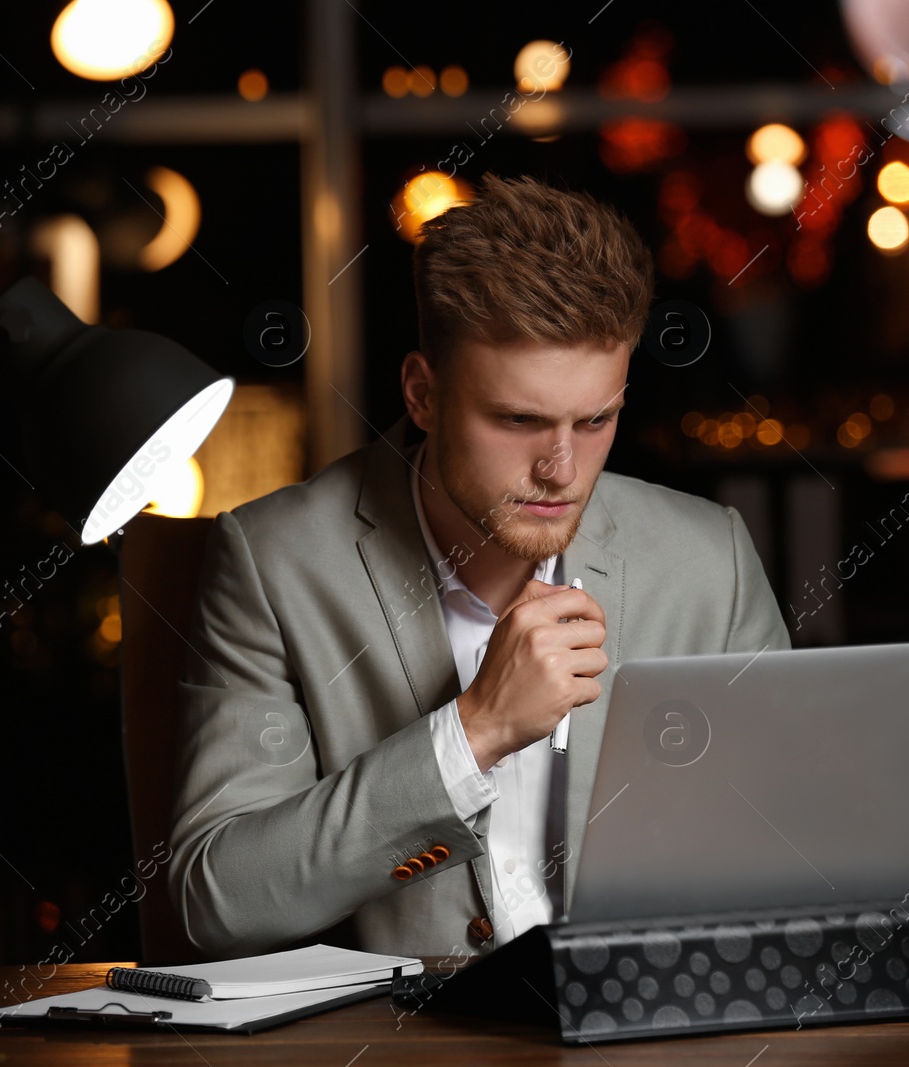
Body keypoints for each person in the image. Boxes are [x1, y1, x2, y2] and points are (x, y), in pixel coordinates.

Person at [167, 173, 789, 960]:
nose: (562, 468)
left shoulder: (711, 559)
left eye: (596, 419)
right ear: (423, 395)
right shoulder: (276, 561)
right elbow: (218, 898)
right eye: (519, 420)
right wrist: (472, 732)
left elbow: (794, 850)